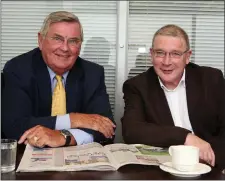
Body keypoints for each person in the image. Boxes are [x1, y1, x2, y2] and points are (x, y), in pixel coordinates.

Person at [2, 11, 116, 148]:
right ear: (40, 40)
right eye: (57, 39)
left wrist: (64, 137)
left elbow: (107, 129)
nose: (65, 48)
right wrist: (73, 120)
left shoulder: (93, 73)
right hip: (27, 157)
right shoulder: (18, 69)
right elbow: (13, 127)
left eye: (73, 41)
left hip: (78, 161)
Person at [121, 24, 225, 168]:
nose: (166, 62)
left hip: (208, 165)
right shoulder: (137, 86)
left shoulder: (211, 79)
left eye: (175, 54)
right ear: (151, 54)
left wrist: (212, 160)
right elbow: (131, 130)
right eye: (160, 53)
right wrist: (186, 137)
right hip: (163, 168)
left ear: (187, 57)